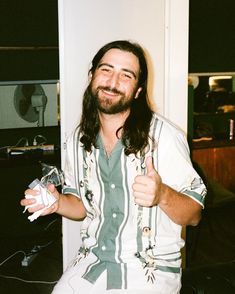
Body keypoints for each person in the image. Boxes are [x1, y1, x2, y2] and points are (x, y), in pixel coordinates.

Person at [21, 40, 206, 294]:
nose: (112, 81)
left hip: (149, 269)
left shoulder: (164, 138)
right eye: (106, 69)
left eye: (126, 75)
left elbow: (194, 215)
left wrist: (162, 194)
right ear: (92, 76)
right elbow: (81, 205)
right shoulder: (77, 140)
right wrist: (58, 203)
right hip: (92, 261)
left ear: (139, 90)